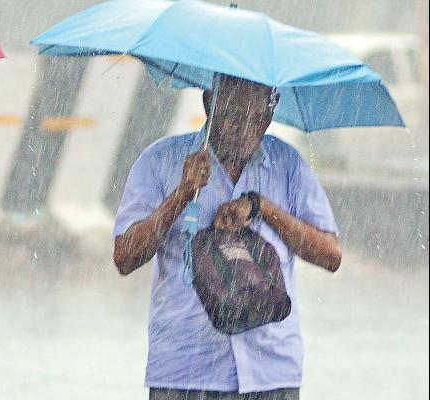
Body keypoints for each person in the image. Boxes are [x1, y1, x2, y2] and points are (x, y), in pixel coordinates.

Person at [113, 74, 342, 400]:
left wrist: (262, 208)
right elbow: (125, 257)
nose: (245, 126)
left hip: (271, 373)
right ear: (209, 103)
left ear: (270, 111)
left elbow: (331, 255)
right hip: (185, 374)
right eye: (234, 113)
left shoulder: (288, 165)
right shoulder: (159, 161)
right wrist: (182, 194)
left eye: (257, 114)